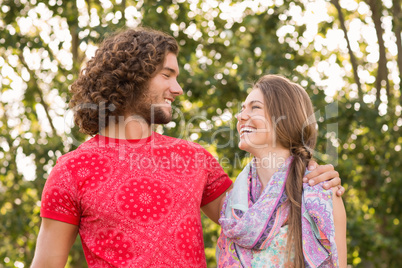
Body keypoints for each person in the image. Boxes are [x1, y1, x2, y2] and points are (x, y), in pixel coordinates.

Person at [31, 28, 344, 268]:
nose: (178, 89)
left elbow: (260, 221)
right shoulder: (71, 170)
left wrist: (310, 177)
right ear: (131, 78)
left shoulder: (194, 159)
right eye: (167, 75)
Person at [216, 75, 347, 267]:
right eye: (243, 109)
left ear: (284, 118)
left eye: (255, 107)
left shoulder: (321, 192)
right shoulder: (234, 203)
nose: (241, 116)